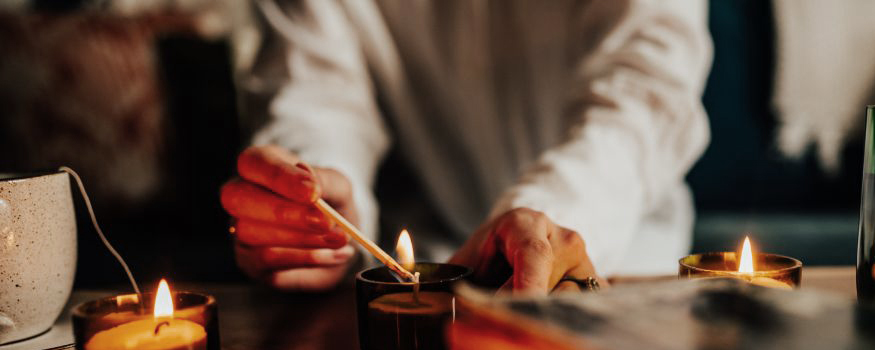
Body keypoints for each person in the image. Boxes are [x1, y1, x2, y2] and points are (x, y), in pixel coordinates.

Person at [222, 0, 711, 293]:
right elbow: (313, 96)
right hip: (430, 267)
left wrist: (545, 218)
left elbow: (646, 90)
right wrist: (317, 197)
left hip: (625, 258)